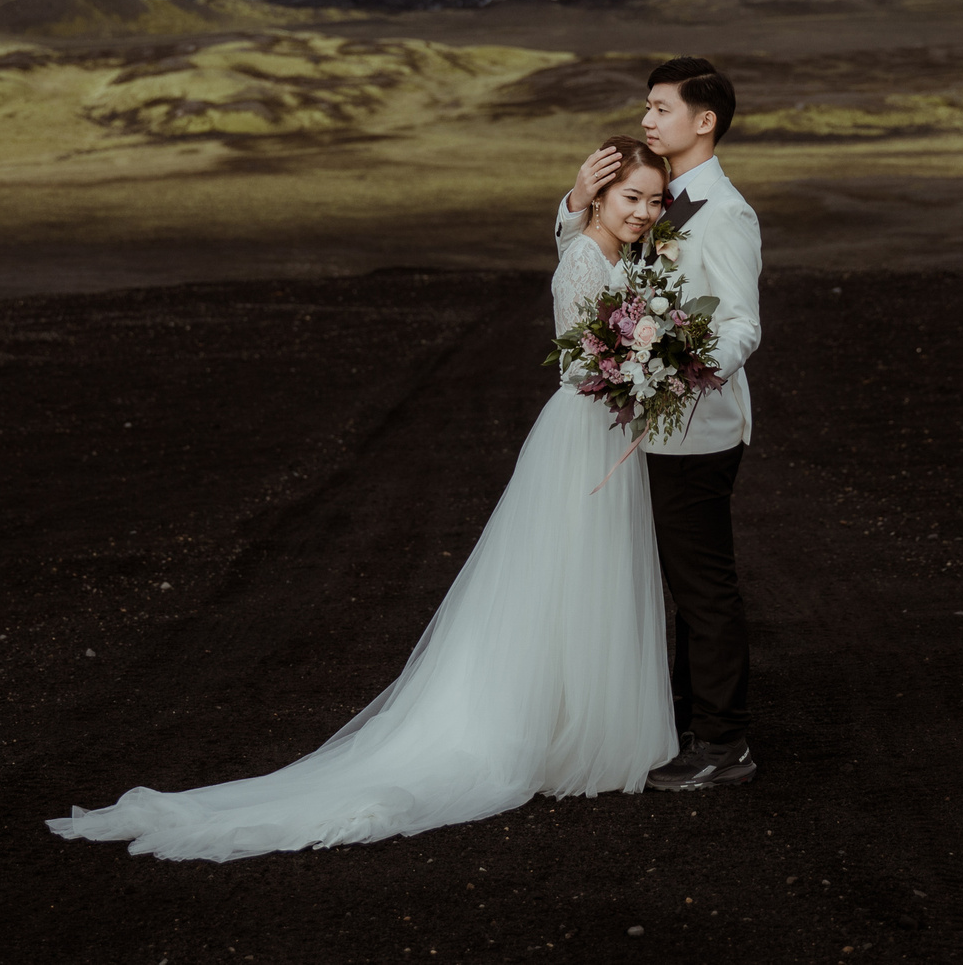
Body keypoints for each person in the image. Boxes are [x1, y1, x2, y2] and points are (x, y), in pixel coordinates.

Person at [45, 139, 679, 862]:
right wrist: (643, 369)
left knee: (591, 576)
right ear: (598, 195)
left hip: (607, 431)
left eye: (656, 200)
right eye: (632, 197)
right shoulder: (583, 259)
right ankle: (557, 730)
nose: (646, 212)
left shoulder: (623, 253)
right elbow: (582, 354)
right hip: (584, 432)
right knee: (568, 573)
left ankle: (585, 723)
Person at [558, 56, 762, 792]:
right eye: (645, 107)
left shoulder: (726, 211)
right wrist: (574, 201)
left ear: (704, 121)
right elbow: (608, 262)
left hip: (698, 431)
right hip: (657, 428)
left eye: (660, 108)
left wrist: (683, 364)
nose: (647, 120)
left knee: (703, 586)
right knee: (677, 581)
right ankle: (687, 720)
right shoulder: (669, 199)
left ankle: (723, 743)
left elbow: (741, 324)